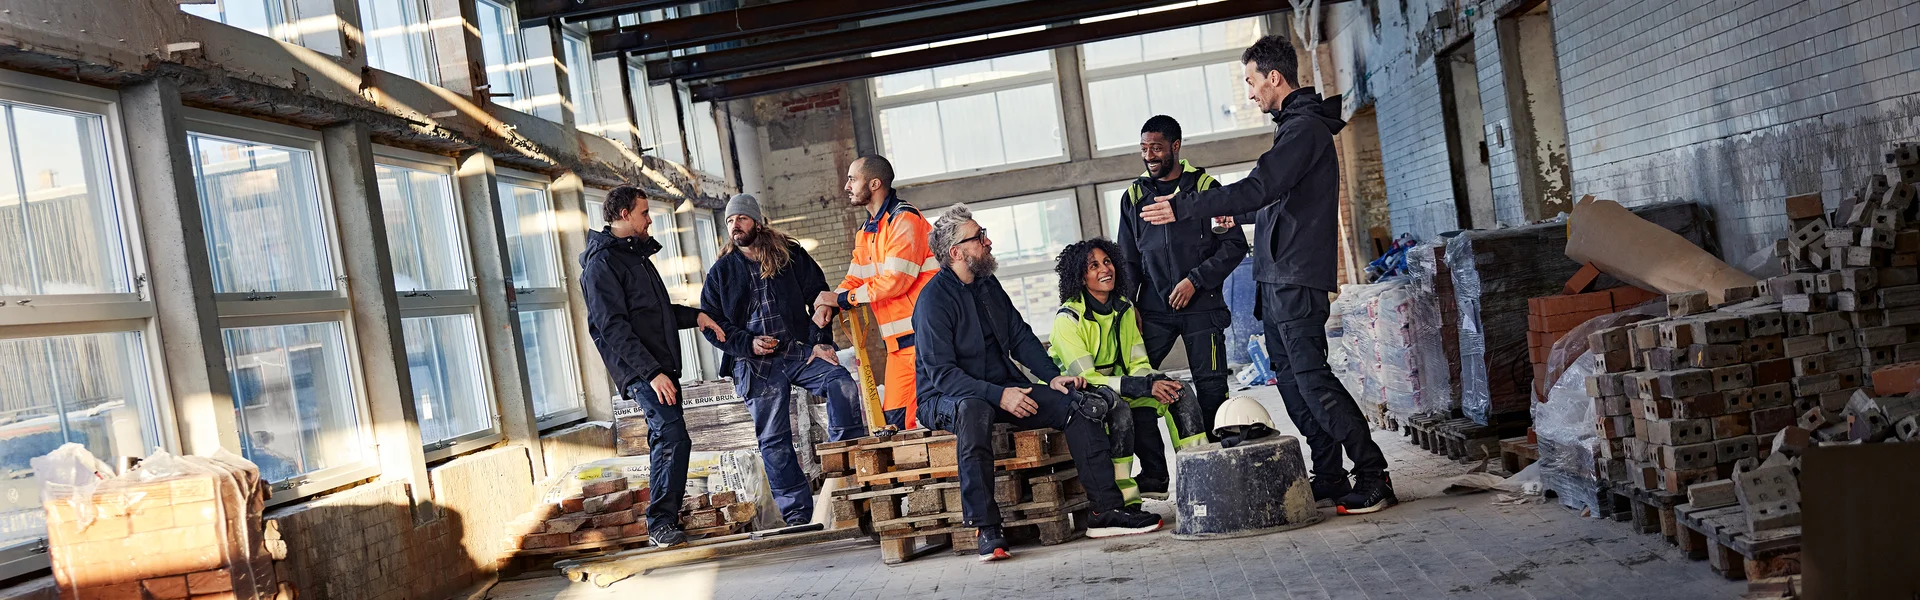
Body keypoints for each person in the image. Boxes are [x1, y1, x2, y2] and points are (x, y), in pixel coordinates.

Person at [1140, 35, 1396, 515]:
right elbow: (1277, 202)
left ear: (1274, 78)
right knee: (1293, 384)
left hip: (1296, 278)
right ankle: (1331, 474)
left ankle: (1372, 473)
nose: (1250, 91)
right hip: (1279, 277)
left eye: (1251, 81)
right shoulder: (1293, 130)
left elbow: (1260, 186)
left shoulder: (1303, 130)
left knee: (1313, 380)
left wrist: (1186, 206)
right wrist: (1233, 215)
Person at [914, 205, 1163, 562]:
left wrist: (1052, 376)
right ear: (956, 252)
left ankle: (1104, 511)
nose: (988, 242)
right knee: (973, 411)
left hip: (1004, 387)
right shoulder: (933, 301)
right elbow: (943, 375)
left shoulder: (987, 284)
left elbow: (1019, 335)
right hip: (947, 396)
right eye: (979, 237)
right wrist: (1000, 395)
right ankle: (986, 526)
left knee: (1080, 405)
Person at [701, 193, 866, 526]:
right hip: (754, 363)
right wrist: (748, 343)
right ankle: (798, 516)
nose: (735, 225)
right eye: (730, 221)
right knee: (774, 440)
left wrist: (820, 340)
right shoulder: (721, 272)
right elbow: (711, 324)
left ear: (757, 222)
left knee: (842, 384)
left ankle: (845, 472)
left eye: (741, 218)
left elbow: (819, 295)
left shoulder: (789, 255)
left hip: (797, 351)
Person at [580, 185, 728, 547]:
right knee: (671, 436)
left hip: (657, 366)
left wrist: (697, 317)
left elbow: (655, 314)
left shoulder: (635, 257)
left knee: (669, 438)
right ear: (624, 215)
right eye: (644, 213)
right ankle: (660, 524)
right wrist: (651, 373)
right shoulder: (602, 264)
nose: (649, 220)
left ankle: (664, 521)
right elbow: (613, 328)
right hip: (642, 370)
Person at [1114, 114, 1250, 494]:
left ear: (1175, 146)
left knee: (1212, 390)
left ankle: (1220, 474)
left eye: (1156, 148)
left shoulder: (1206, 190)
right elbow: (1128, 260)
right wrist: (1129, 305)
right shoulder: (1134, 197)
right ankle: (1155, 475)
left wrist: (1195, 281)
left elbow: (1234, 245)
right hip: (1153, 310)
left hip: (1202, 307)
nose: (1149, 156)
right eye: (1144, 148)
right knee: (1140, 386)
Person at [1048, 239, 1209, 504]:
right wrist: (1143, 386)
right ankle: (1124, 497)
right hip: (1073, 392)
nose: (1105, 269)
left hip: (1114, 385)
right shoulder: (1068, 319)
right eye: (1093, 266)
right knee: (1119, 407)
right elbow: (1087, 378)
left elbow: (1137, 363)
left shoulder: (1123, 308)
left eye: (1107, 262)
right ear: (1080, 276)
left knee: (1179, 392)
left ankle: (1199, 480)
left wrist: (1155, 383)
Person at [814, 155, 935, 430]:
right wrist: (830, 304)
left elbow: (895, 281)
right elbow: (855, 278)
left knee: (923, 422)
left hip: (926, 342)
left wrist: (844, 299)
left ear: (875, 183)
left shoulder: (904, 219)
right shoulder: (868, 231)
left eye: (852, 179)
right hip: (899, 348)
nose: (847, 186)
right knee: (894, 423)